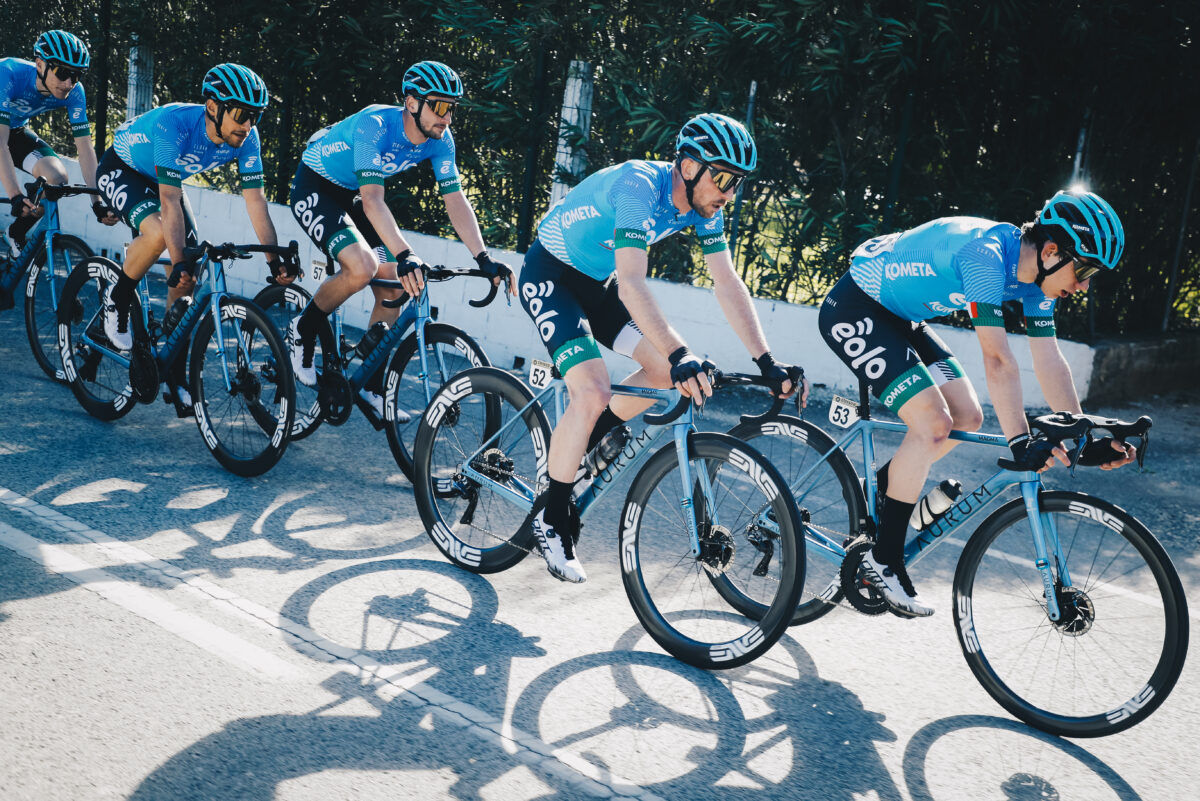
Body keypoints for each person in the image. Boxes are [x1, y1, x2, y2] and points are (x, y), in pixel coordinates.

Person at [517, 112, 808, 583]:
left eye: (738, 183)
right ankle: (550, 520)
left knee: (662, 374)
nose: (730, 193)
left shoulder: (702, 207)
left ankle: (584, 446)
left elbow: (726, 282)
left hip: (597, 284)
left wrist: (766, 359)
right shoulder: (639, 188)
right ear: (689, 167)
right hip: (552, 275)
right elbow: (632, 282)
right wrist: (680, 351)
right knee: (592, 391)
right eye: (724, 179)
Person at [818, 190, 1137, 617]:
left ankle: (884, 485)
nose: (1083, 285)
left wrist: (1084, 438)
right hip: (856, 306)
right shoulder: (985, 258)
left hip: (901, 317)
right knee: (932, 423)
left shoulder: (1038, 279)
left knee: (967, 417)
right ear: (1051, 251)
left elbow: (1049, 360)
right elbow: (998, 360)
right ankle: (884, 561)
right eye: (1084, 269)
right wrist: (1020, 441)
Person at [286, 60, 512, 418]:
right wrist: (406, 253)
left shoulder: (440, 140)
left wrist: (483, 257)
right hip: (317, 186)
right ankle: (303, 327)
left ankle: (370, 383)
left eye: (452, 108)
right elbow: (373, 200)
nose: (447, 117)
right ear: (412, 103)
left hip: (356, 195)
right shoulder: (374, 125)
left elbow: (455, 200)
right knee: (362, 267)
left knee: (395, 285)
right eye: (439, 106)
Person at [97, 63, 293, 407]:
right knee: (162, 237)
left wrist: (273, 259)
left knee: (187, 278)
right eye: (242, 114)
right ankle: (118, 296)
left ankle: (173, 374)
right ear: (213, 107)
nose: (248, 125)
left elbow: (256, 202)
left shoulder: (247, 138)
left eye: (255, 116)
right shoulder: (173, 124)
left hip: (163, 180)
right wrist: (177, 261)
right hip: (123, 169)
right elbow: (169, 200)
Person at [1, 30, 118, 255]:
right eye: (62, 72)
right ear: (40, 65)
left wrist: (97, 202)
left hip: (13, 131)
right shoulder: (8, 73)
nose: (69, 83)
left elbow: (85, 149)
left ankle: (15, 232)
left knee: (55, 180)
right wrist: (15, 195)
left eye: (76, 75)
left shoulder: (75, 93)